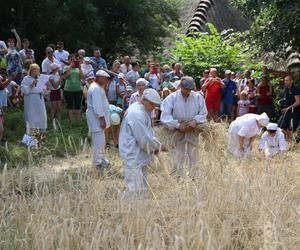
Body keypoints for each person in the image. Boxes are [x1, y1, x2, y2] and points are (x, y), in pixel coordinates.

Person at [119, 88, 166, 194]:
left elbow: (147, 133)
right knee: (134, 189)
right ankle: (130, 209)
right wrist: (158, 146)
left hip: (139, 153)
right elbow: (144, 139)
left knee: (142, 187)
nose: (153, 107)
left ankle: (141, 207)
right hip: (133, 153)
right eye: (152, 104)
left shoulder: (141, 109)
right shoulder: (137, 114)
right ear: (144, 100)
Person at [161, 76, 208, 178]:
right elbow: (165, 116)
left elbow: (203, 113)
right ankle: (177, 177)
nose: (188, 91)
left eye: (190, 89)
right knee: (177, 154)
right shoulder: (171, 98)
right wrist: (177, 125)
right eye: (186, 89)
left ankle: (195, 176)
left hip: (193, 130)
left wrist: (195, 121)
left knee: (194, 155)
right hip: (176, 132)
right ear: (180, 86)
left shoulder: (198, 97)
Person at [86, 70, 111, 171]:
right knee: (98, 141)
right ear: (99, 77)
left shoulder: (97, 87)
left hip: (98, 118)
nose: (106, 81)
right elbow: (97, 105)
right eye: (105, 79)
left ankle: (102, 159)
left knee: (101, 140)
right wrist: (101, 119)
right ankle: (97, 162)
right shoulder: (96, 88)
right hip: (96, 119)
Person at [21, 64, 47, 134]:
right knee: (31, 119)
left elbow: (44, 91)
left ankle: (41, 140)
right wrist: (31, 85)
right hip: (31, 101)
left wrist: (46, 88)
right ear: (31, 71)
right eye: (35, 71)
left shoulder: (40, 79)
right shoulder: (26, 78)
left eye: (37, 71)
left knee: (41, 118)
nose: (36, 72)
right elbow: (24, 90)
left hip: (40, 101)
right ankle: (31, 141)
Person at [63, 54, 84, 126]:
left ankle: (78, 122)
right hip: (68, 89)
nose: (73, 61)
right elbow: (66, 76)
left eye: (74, 59)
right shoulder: (66, 67)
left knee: (78, 106)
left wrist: (80, 68)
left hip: (78, 89)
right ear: (68, 60)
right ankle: (70, 122)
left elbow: (82, 77)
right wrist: (70, 67)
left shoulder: (78, 68)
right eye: (71, 60)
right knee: (70, 106)